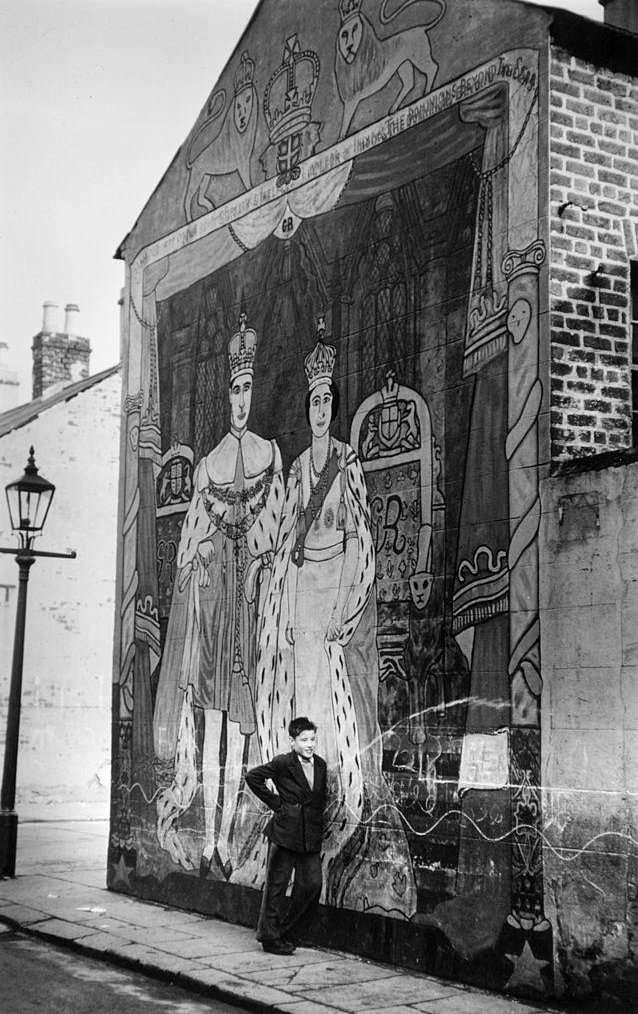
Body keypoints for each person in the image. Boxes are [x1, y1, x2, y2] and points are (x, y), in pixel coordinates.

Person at [249, 317, 417, 917]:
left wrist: (346, 606)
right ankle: (300, 801)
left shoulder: (344, 465)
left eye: (327, 401)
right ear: (306, 405)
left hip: (334, 590)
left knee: (326, 695)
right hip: (302, 592)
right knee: (299, 692)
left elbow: (357, 538)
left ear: (335, 406)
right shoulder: (297, 470)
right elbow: (284, 533)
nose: (320, 410)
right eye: (314, 401)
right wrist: (277, 590)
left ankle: (333, 799)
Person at [153, 314, 284, 876]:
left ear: (254, 392)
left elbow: (276, 538)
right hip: (212, 616)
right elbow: (189, 548)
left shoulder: (268, 456)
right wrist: (202, 555)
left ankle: (230, 837)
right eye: (234, 389)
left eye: (247, 388)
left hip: (247, 615)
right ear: (225, 394)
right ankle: (208, 838)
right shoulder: (206, 467)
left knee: (237, 731)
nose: (240, 399)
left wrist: (254, 565)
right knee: (210, 731)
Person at [246, 716, 326, 954]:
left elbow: (319, 798)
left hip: (309, 835)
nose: (309, 744)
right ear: (292, 741)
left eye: (312, 739)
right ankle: (269, 938)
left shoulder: (320, 765)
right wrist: (278, 805)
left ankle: (288, 932)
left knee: (312, 884)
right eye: (304, 740)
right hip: (285, 833)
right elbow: (253, 777)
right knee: (276, 887)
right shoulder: (283, 763)